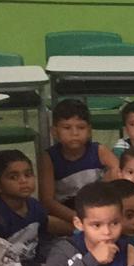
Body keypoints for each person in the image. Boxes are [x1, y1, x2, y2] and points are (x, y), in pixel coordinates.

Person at [40, 99, 119, 233]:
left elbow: (119, 174)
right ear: (54, 132)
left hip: (98, 207)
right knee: (46, 222)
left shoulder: (99, 151)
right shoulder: (49, 158)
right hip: (68, 214)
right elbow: (47, 200)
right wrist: (77, 217)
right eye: (67, 128)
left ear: (89, 131)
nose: (74, 133)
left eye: (81, 127)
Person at [0, 149, 50, 266]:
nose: (23, 181)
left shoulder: (36, 207)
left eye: (28, 174)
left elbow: (44, 239)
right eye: (13, 177)